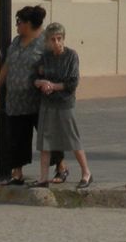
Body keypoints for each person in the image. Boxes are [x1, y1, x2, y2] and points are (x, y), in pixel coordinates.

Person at [0, 5, 67, 186]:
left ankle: (61, 167)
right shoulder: (17, 42)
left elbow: (57, 65)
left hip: (38, 101)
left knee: (47, 135)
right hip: (16, 101)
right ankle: (17, 173)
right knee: (17, 136)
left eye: (19, 22)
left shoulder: (45, 43)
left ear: (29, 24)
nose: (16, 26)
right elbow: (7, 65)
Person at [32, 23, 92, 189]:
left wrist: (53, 86)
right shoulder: (45, 57)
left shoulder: (71, 56)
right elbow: (35, 77)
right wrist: (41, 83)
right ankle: (43, 178)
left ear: (63, 39)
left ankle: (86, 173)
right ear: (48, 42)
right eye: (53, 39)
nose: (57, 42)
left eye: (59, 39)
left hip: (65, 103)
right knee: (45, 140)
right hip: (47, 103)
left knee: (73, 138)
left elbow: (72, 82)